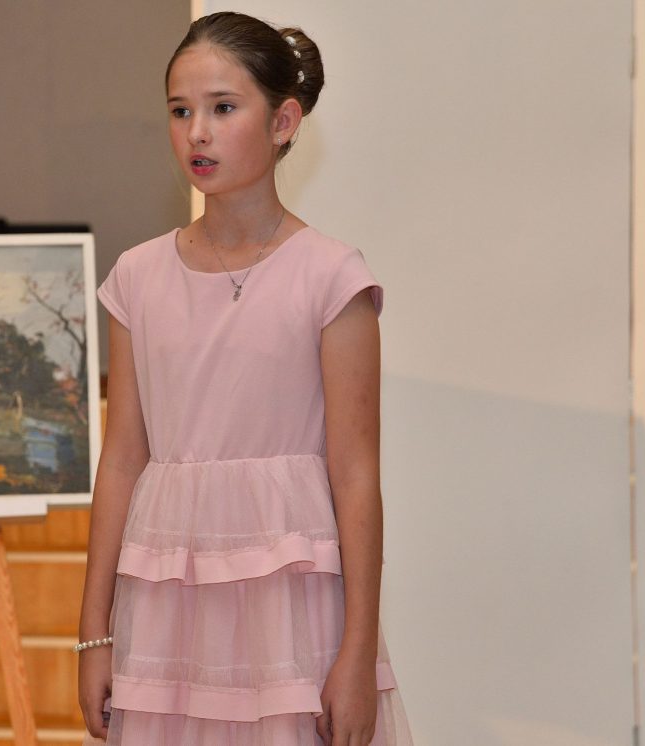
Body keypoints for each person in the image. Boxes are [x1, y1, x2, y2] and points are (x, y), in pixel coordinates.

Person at [78, 11, 413, 745]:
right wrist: (94, 635)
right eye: (180, 111)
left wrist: (357, 654)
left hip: (291, 616)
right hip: (165, 613)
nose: (197, 133)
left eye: (223, 108)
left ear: (283, 121)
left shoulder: (331, 277)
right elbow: (123, 460)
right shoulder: (136, 277)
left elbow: (357, 474)